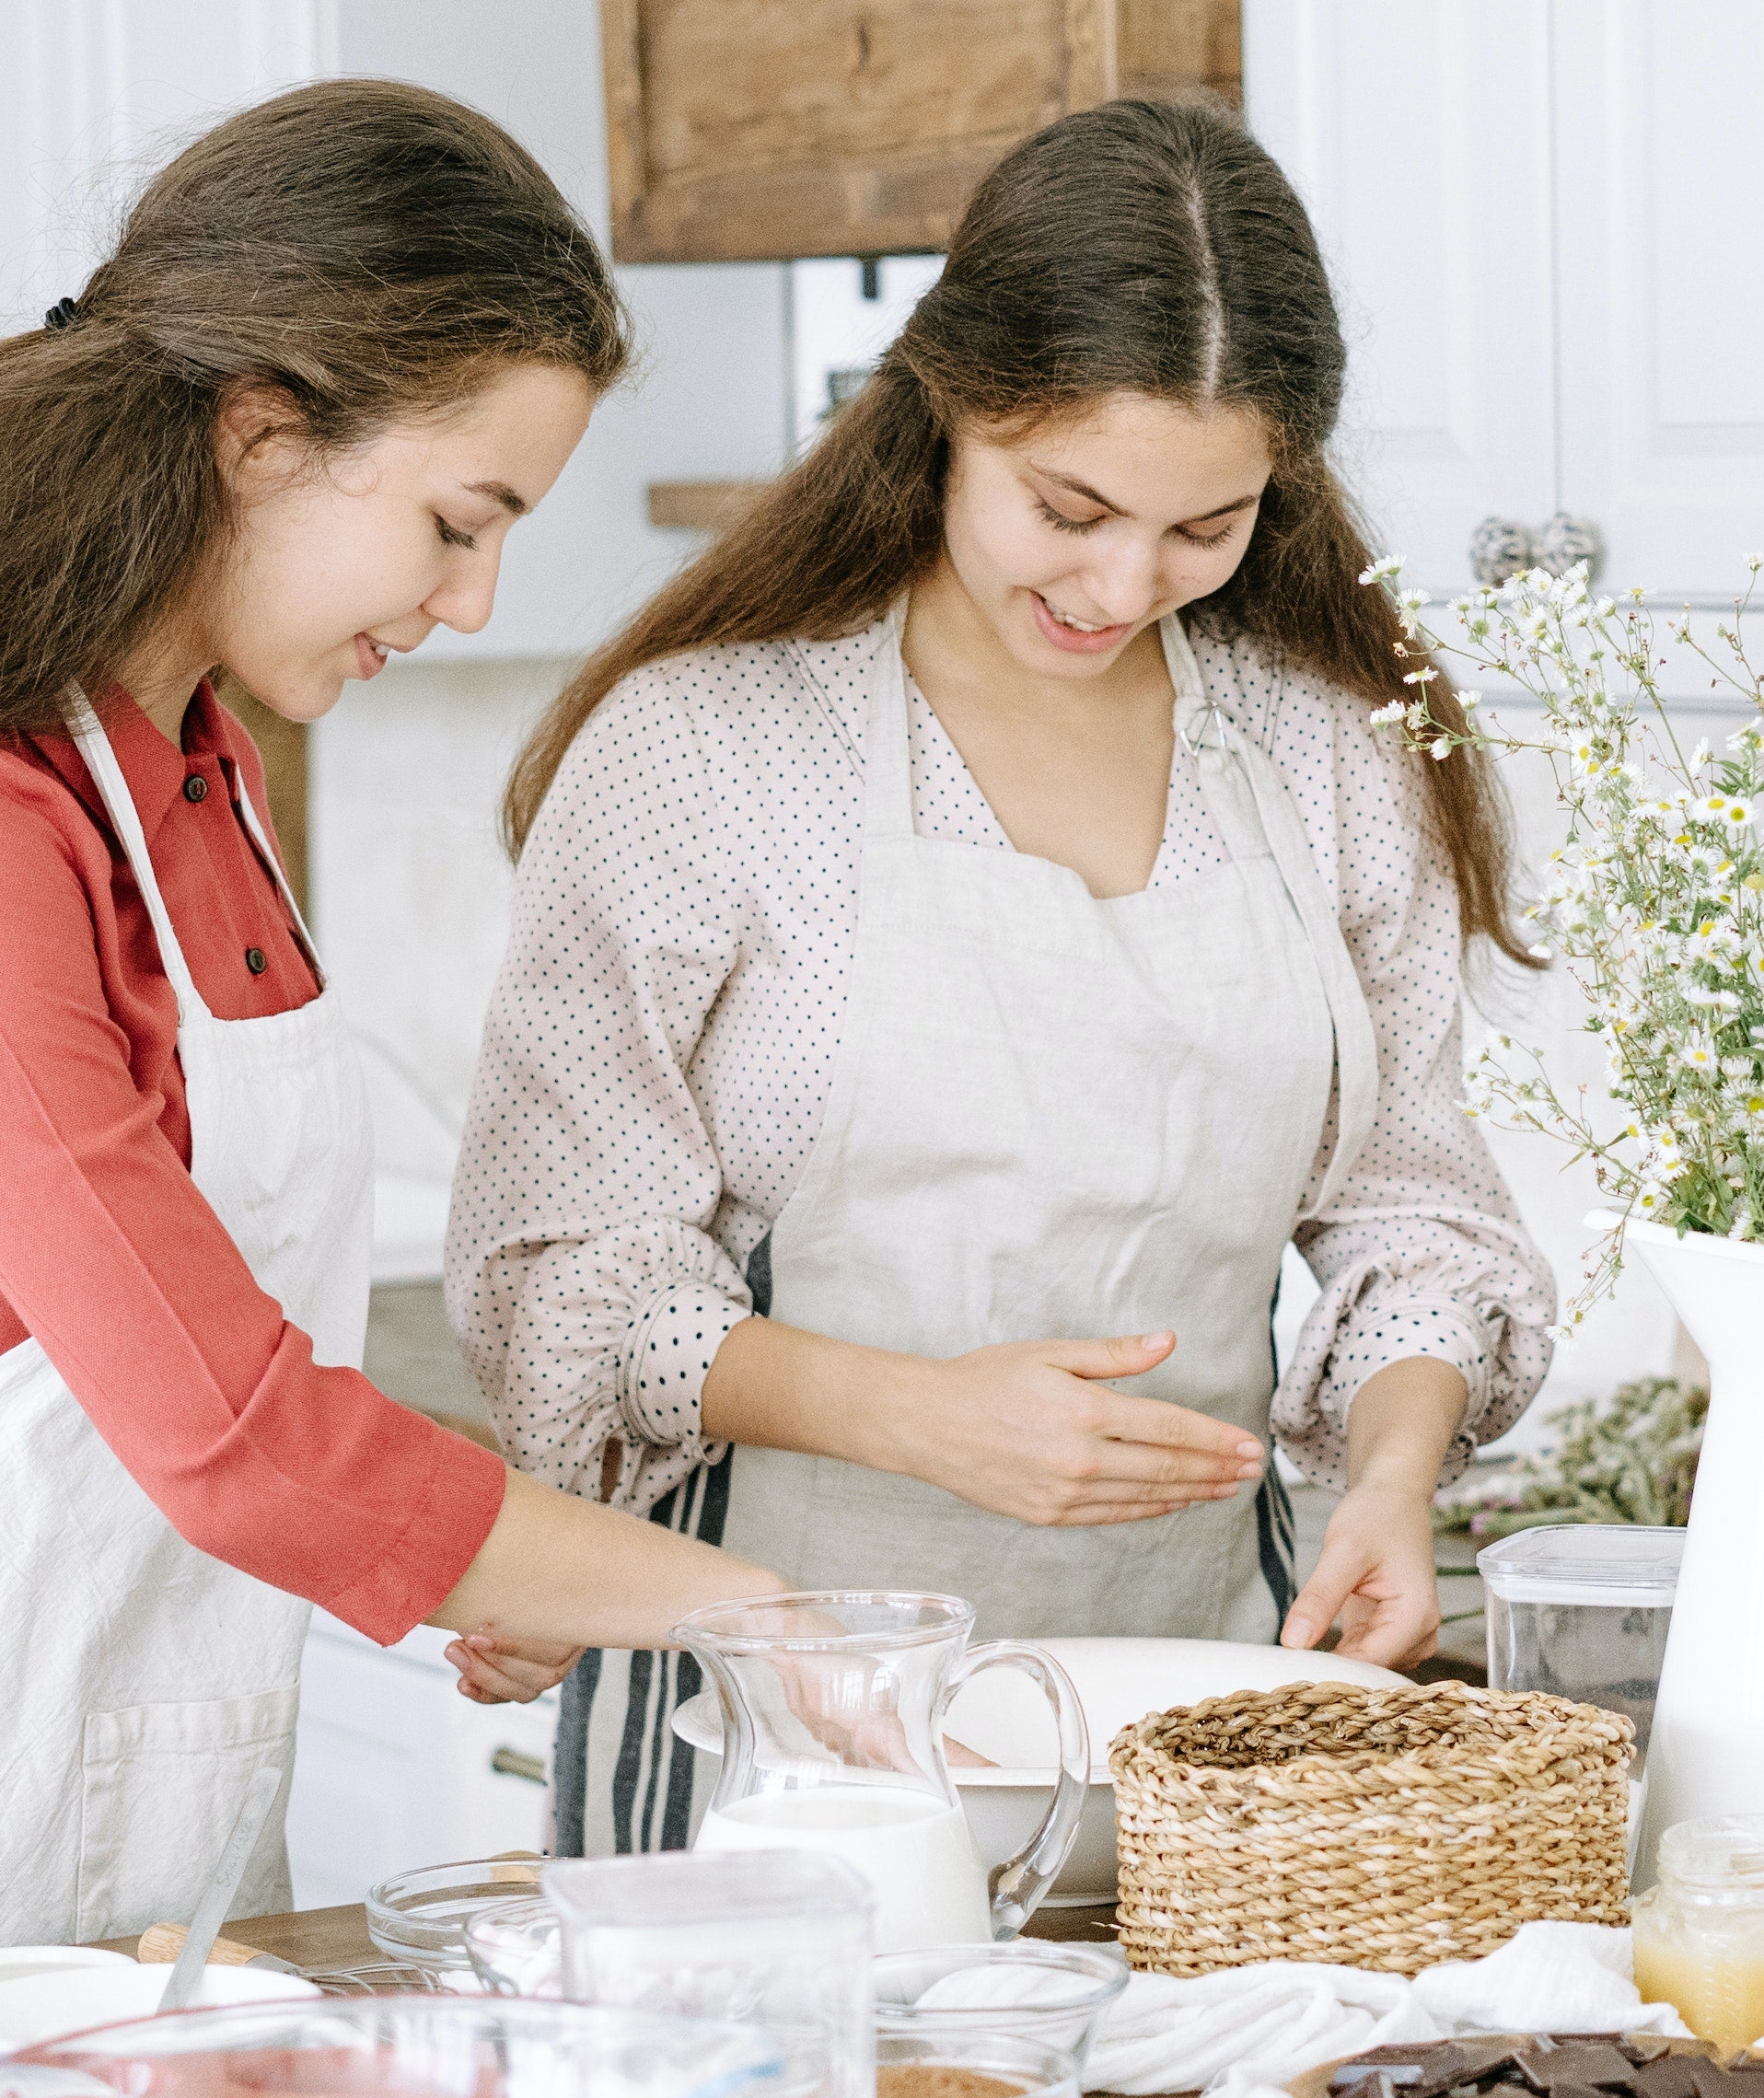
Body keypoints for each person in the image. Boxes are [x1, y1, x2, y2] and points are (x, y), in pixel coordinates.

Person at [0, 80, 777, 1983]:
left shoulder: (190, 767)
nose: (472, 600)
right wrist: (770, 1619)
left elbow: (172, 1339)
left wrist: (471, 1556)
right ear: (264, 437)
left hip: (109, 1808)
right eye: (455, 520)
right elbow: (236, 1442)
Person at [451, 98, 1558, 1856]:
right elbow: (563, 1278)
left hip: (1207, 1729)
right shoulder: (709, 752)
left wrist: (1400, 1479)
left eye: (1209, 529)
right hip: (764, 1738)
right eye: (1071, 506)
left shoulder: (1326, 758)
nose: (1125, 584)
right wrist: (917, 1419)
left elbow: (1413, 1218)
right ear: (952, 402)